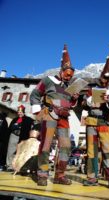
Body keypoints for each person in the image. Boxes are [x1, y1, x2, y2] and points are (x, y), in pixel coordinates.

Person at [30, 44, 79, 186]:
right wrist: (38, 112)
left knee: (66, 146)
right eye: (67, 74)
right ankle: (42, 174)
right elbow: (35, 94)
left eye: (71, 75)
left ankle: (60, 175)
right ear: (61, 70)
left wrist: (74, 99)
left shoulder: (70, 87)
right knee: (46, 145)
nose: (69, 77)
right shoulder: (48, 80)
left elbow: (70, 104)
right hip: (50, 114)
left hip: (64, 118)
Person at [81, 34, 109, 188]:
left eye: (106, 80)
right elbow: (84, 104)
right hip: (91, 123)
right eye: (102, 79)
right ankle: (92, 178)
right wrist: (89, 100)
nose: (103, 81)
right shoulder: (91, 90)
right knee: (91, 151)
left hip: (104, 122)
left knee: (107, 150)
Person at [6, 105, 34, 172]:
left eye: (21, 112)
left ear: (23, 112)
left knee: (20, 152)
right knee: (10, 151)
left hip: (22, 137)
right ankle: (9, 166)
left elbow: (31, 127)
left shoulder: (28, 119)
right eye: (18, 112)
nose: (19, 113)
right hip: (13, 136)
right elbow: (10, 128)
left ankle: (18, 166)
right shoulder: (15, 119)